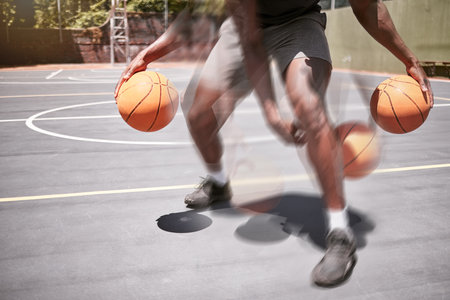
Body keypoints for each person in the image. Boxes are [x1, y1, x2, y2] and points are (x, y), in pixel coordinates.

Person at [115, 0, 433, 287]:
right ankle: (219, 182)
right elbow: (224, 24)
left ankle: (340, 232)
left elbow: (366, 6)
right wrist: (150, 51)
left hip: (298, 24)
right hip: (241, 27)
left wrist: (408, 58)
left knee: (309, 106)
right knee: (198, 113)